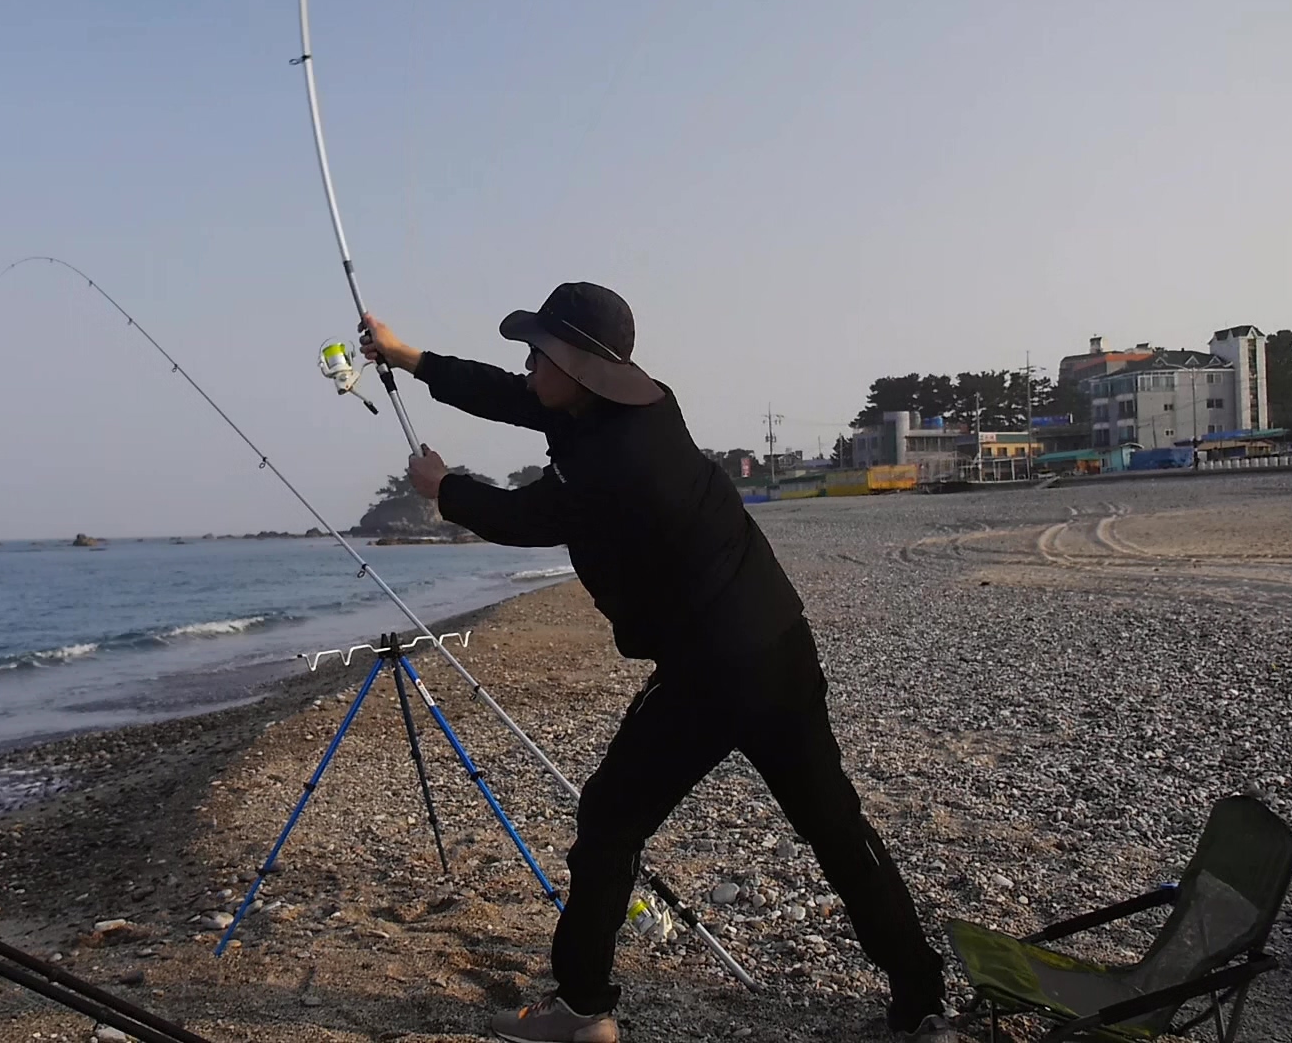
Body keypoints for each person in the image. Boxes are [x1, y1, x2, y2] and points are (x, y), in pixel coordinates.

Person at [358, 282, 955, 1043]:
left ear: (576, 365)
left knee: (609, 820)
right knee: (834, 824)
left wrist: (444, 489)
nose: (529, 363)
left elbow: (528, 517)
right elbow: (513, 396)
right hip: (778, 639)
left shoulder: (617, 462)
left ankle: (581, 1012)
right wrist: (407, 357)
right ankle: (921, 1000)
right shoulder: (635, 402)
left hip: (711, 672)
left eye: (540, 351)